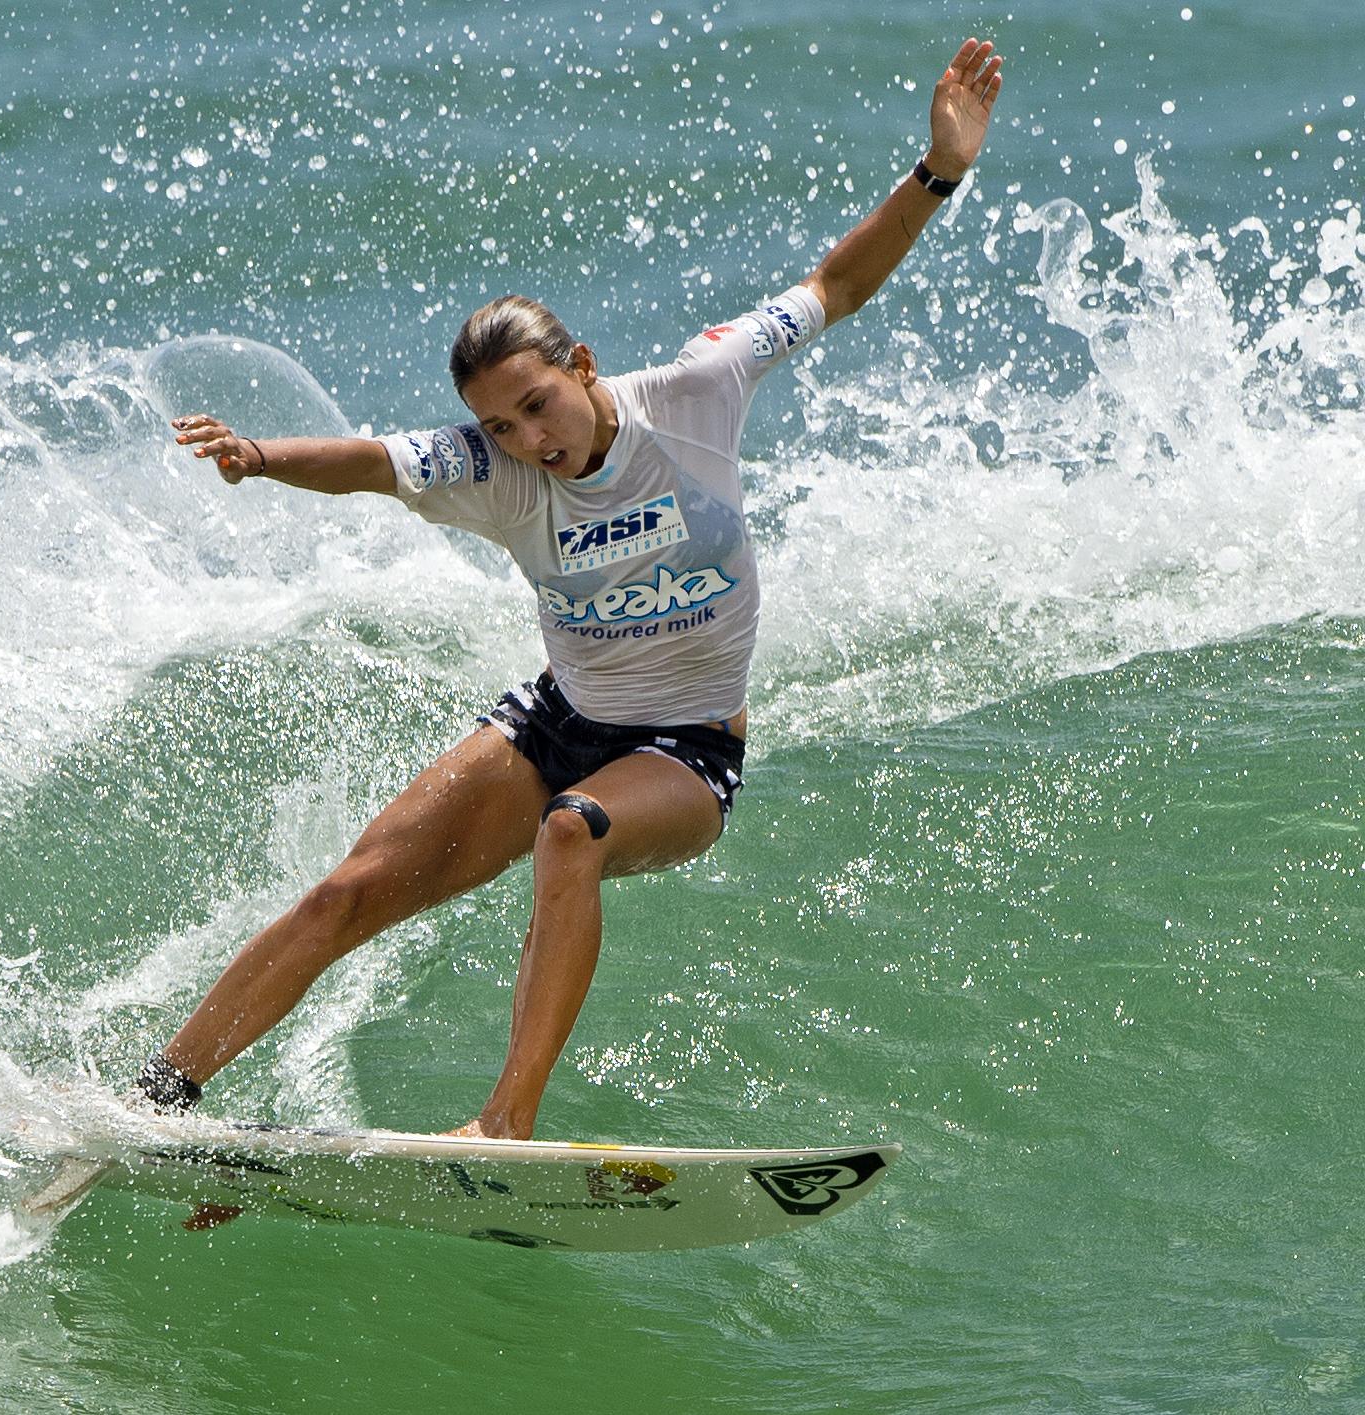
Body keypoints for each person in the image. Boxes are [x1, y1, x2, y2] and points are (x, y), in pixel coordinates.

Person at [141, 39, 1004, 1140]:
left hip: (686, 749)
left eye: (537, 404)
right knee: (347, 891)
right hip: (558, 717)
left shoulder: (697, 388)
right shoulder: (489, 469)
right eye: (501, 424)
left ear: (584, 367)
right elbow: (368, 460)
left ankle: (504, 1123)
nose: (526, 439)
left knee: (572, 830)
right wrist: (260, 455)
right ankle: (158, 1094)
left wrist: (938, 171)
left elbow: (834, 284)